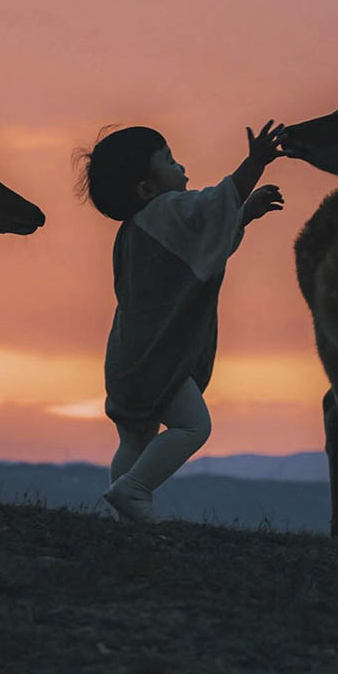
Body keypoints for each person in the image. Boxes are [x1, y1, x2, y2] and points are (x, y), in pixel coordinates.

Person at [75, 121, 284, 521]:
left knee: (135, 439)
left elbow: (201, 237)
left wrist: (242, 216)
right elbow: (209, 210)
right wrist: (255, 163)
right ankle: (134, 490)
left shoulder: (137, 230)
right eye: (169, 160)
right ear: (147, 190)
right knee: (193, 427)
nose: (181, 165)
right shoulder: (164, 211)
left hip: (127, 360)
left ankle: (126, 514)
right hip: (159, 360)